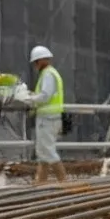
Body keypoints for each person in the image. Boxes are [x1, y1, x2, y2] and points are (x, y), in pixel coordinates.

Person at [25, 45, 67, 184]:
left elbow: (45, 96)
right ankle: (41, 182)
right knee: (43, 154)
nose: (35, 65)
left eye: (36, 62)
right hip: (50, 119)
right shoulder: (50, 73)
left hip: (48, 120)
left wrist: (29, 99)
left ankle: (64, 182)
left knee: (48, 152)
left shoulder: (48, 74)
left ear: (42, 60)